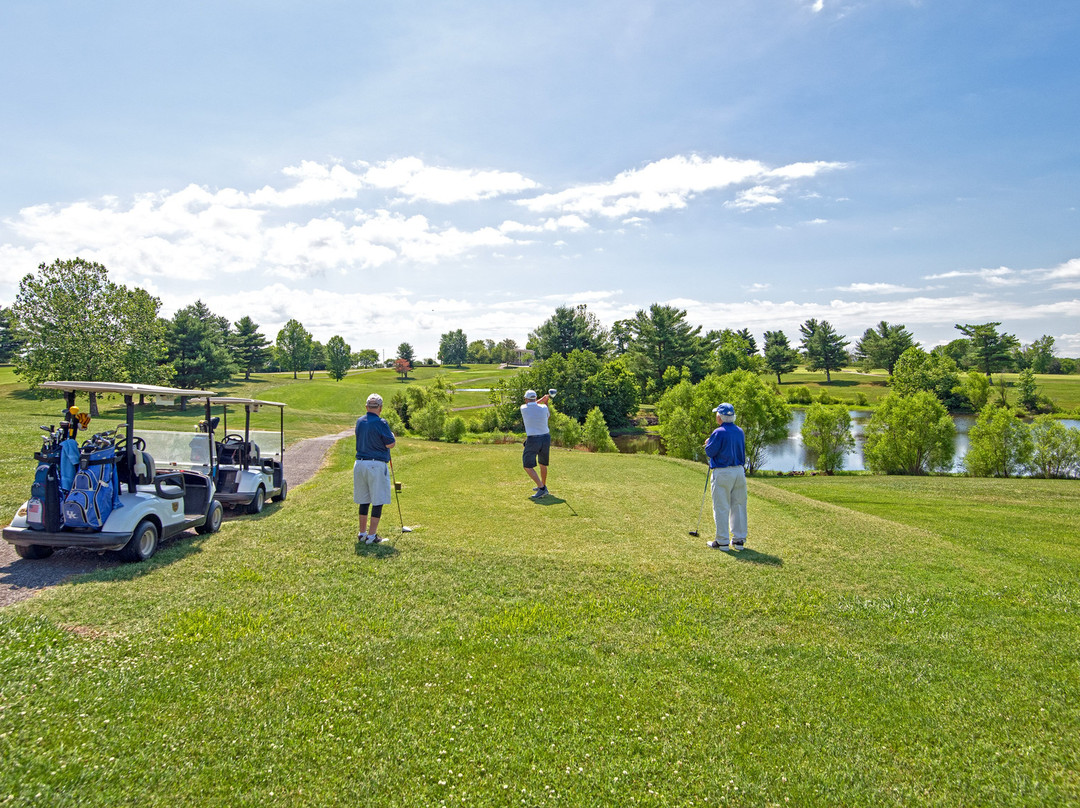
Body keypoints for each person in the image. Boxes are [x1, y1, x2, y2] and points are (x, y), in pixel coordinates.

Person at [704, 402, 747, 550]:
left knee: (721, 506)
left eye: (717, 414)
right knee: (739, 505)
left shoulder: (718, 432)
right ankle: (739, 540)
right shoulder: (740, 431)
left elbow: (710, 452)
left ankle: (722, 541)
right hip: (739, 472)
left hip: (723, 472)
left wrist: (708, 442)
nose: (716, 416)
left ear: (720, 416)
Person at [354, 393, 396, 544]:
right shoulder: (381, 422)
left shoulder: (359, 422)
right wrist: (392, 436)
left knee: (364, 500)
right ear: (380, 408)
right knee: (378, 500)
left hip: (360, 464)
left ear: (366, 407)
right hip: (376, 465)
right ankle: (372, 536)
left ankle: (362, 533)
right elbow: (390, 444)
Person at [520, 389, 553, 499]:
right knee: (543, 463)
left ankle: (542, 488)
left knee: (527, 465)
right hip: (546, 438)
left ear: (526, 399)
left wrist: (541, 400)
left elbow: (532, 405)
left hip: (533, 439)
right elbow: (548, 415)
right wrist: (545, 401)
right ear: (535, 398)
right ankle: (543, 485)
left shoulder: (523, 408)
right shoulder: (544, 408)